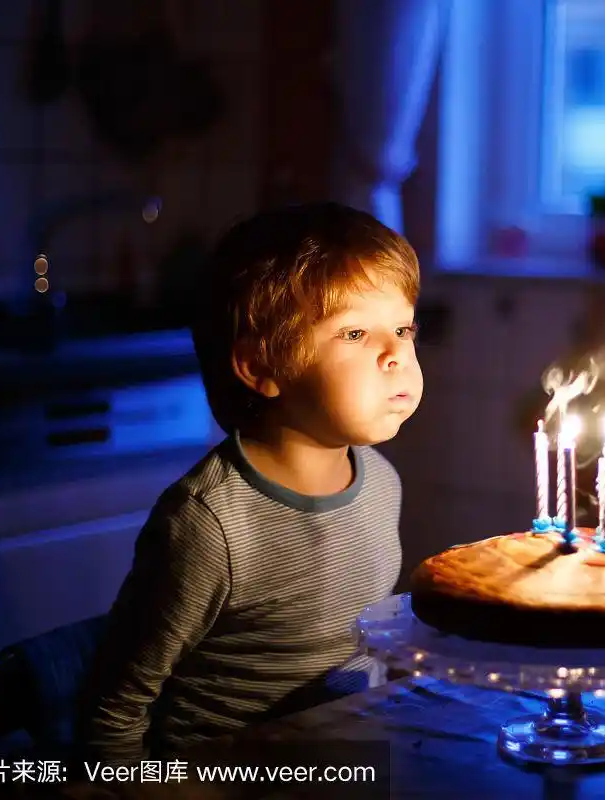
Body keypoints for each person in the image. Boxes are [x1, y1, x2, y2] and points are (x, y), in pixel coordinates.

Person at [76, 203, 423, 762]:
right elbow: (112, 713)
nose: (396, 355)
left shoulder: (382, 482)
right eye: (355, 332)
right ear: (260, 368)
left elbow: (359, 657)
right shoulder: (208, 524)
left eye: (403, 327)